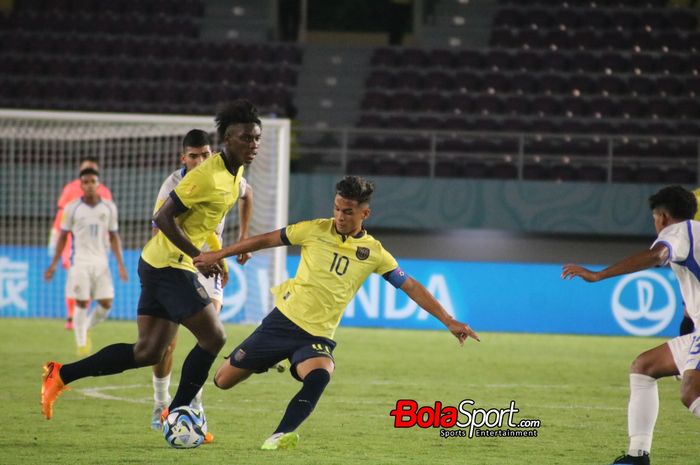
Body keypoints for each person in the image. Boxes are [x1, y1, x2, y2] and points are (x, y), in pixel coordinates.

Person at [193, 175, 480, 450]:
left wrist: (448, 320)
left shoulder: (374, 253)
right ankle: (266, 362)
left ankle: (281, 434)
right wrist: (219, 254)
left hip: (317, 335)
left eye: (348, 212)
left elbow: (411, 286)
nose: (340, 216)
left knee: (320, 375)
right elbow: (266, 239)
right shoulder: (313, 229)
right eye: (337, 209)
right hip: (282, 322)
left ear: (364, 214)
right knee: (223, 381)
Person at [40, 100, 262, 438]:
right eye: (246, 138)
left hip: (161, 264)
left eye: (257, 138)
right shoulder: (205, 177)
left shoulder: (236, 173)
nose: (254, 145)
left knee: (148, 351)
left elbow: (211, 219)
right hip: (169, 266)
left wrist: (216, 254)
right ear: (227, 139)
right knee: (214, 336)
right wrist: (197, 255)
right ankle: (182, 412)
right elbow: (162, 218)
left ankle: (60, 374)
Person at [562, 185, 700, 465]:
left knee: (691, 392)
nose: (655, 224)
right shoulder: (697, 232)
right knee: (644, 366)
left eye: (655, 217)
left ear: (662, 216)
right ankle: (637, 456)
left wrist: (598, 275)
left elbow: (656, 256)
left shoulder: (676, 232)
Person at [148, 129, 253, 441]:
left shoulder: (225, 173)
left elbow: (248, 194)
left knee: (210, 336)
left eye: (204, 154)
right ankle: (160, 403)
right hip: (178, 264)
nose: (199, 160)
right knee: (165, 345)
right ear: (184, 158)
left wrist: (243, 237)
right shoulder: (173, 185)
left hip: (210, 264)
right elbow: (160, 228)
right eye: (193, 155)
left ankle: (194, 407)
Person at [44, 168, 127, 355]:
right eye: (86, 182)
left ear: (98, 185)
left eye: (93, 181)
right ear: (81, 185)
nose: (90, 185)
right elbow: (63, 237)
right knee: (81, 303)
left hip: (101, 262)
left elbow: (114, 237)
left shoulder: (109, 207)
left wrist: (121, 265)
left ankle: (85, 328)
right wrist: (53, 264)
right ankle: (81, 343)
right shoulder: (71, 208)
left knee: (106, 303)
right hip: (79, 262)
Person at [49, 157, 113, 330]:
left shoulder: (105, 192)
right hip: (72, 239)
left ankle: (80, 315)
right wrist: (54, 234)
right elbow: (61, 214)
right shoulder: (70, 189)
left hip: (96, 243)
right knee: (74, 277)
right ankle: (71, 316)